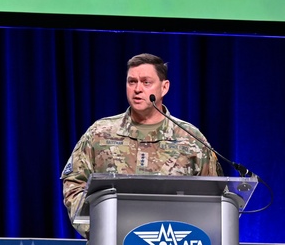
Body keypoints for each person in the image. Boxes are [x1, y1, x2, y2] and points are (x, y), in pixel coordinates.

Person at [60, 53, 221, 237]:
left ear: (164, 87)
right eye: (131, 82)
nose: (137, 89)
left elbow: (213, 196)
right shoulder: (100, 133)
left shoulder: (191, 138)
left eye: (146, 82)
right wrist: (98, 229)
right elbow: (75, 183)